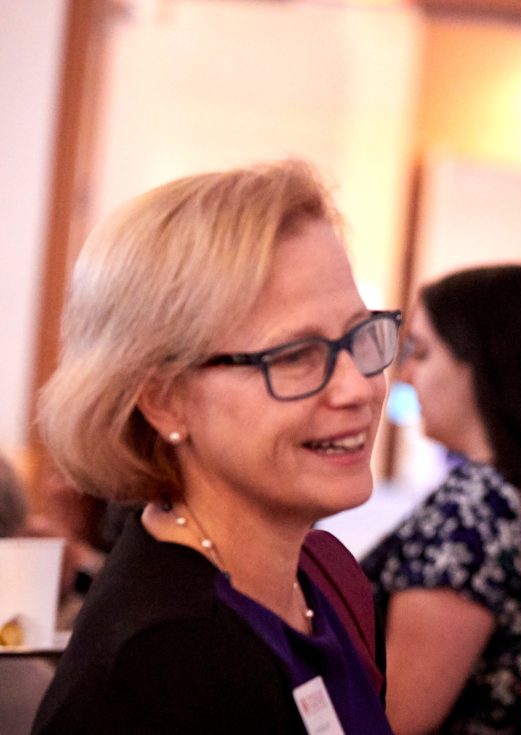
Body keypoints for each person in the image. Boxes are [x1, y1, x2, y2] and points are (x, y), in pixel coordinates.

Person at [31, 160, 398, 734]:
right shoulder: (162, 662)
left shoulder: (321, 579)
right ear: (164, 400)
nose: (358, 387)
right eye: (295, 355)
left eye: (358, 335)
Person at [362, 265, 521, 734]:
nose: (406, 375)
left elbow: (395, 718)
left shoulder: (474, 511)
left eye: (422, 352)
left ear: (483, 363)